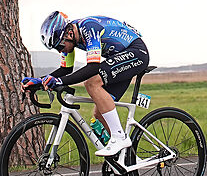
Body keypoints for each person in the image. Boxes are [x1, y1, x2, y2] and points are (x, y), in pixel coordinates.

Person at [23, 11, 149, 158]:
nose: (60, 51)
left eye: (60, 46)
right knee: (99, 113)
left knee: (91, 83)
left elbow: (93, 67)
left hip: (136, 52)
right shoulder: (71, 37)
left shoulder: (89, 28)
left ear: (68, 34)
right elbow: (66, 69)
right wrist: (40, 80)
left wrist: (59, 81)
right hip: (119, 57)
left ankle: (119, 138)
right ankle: (126, 158)